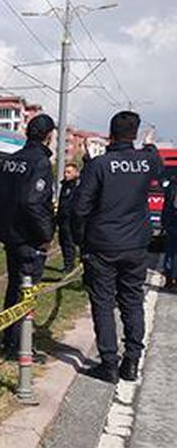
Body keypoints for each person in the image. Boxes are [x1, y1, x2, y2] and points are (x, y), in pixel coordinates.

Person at [72, 111, 161, 383]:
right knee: (132, 302)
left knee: (103, 304)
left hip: (102, 246)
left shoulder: (99, 165)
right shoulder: (147, 162)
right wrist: (149, 145)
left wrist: (81, 240)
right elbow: (155, 161)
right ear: (134, 134)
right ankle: (132, 362)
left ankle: (108, 364)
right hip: (136, 245)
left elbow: (79, 208)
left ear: (110, 133)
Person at [0, 114, 57, 359]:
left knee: (13, 289)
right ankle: (20, 347)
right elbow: (33, 202)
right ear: (49, 136)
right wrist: (46, 233)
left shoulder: (10, 160)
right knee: (26, 291)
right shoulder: (40, 162)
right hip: (29, 238)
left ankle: (9, 340)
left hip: (12, 236)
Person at [57, 162, 81, 273]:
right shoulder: (65, 186)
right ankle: (68, 264)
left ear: (76, 173)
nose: (66, 175)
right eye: (65, 172)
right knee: (64, 242)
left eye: (69, 172)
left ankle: (71, 265)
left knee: (70, 243)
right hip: (63, 219)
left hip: (72, 220)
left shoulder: (78, 186)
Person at [164, 176, 177, 291]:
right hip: (173, 223)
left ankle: (169, 280)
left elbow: (166, 207)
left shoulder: (171, 186)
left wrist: (165, 223)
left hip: (171, 224)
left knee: (170, 253)